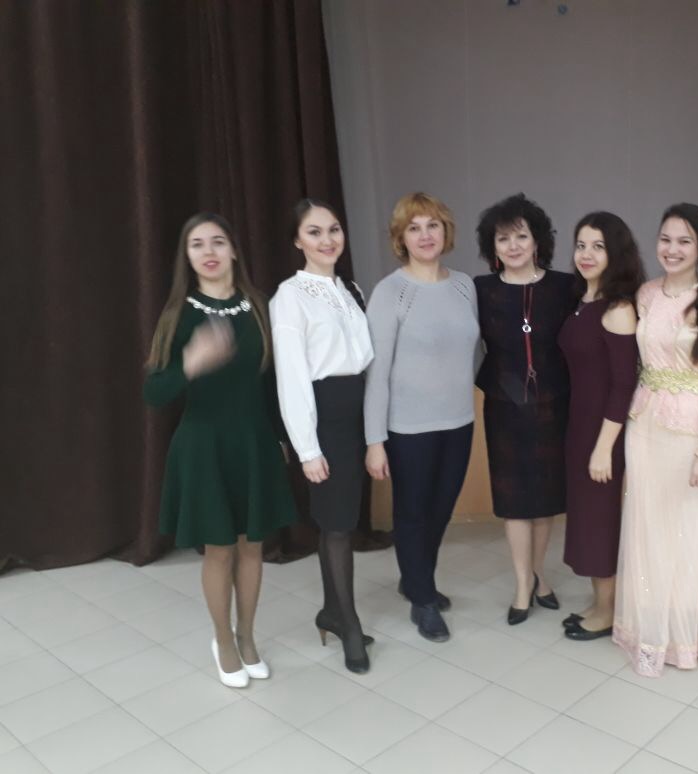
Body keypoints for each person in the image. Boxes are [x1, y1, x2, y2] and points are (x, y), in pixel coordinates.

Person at [144, 213, 297, 688]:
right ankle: (223, 640)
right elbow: (154, 393)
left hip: (253, 443)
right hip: (204, 447)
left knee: (253, 547)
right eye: (197, 244)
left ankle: (247, 636)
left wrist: (282, 438)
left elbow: (273, 382)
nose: (208, 251)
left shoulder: (259, 306)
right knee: (220, 549)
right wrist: (191, 362)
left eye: (217, 241)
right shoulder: (179, 313)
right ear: (187, 257)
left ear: (233, 250)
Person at [614, 203, 698, 676]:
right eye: (666, 239)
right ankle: (650, 629)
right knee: (646, 525)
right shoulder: (646, 294)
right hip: (644, 424)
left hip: (691, 435)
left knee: (689, 532)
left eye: (684, 241)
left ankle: (689, 636)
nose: (672, 249)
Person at [364, 192, 480, 643]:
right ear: (401, 238)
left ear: (445, 231)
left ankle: (416, 579)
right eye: (414, 228)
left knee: (441, 510)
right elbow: (377, 373)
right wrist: (375, 440)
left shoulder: (464, 286)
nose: (425, 235)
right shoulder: (391, 292)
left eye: (432, 225)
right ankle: (422, 598)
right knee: (413, 513)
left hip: (459, 422)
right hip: (408, 428)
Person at [271, 199, 376, 673]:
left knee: (344, 519)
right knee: (334, 524)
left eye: (333, 229)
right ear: (297, 240)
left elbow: (366, 358)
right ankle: (347, 621)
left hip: (358, 413)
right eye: (314, 232)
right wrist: (307, 448)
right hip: (325, 416)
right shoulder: (289, 296)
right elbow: (292, 378)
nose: (327, 239)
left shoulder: (351, 289)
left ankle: (332, 612)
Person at [474, 194, 575, 625]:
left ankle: (538, 574)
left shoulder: (566, 287)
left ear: (538, 241)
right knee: (515, 501)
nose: (513, 246)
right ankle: (522, 584)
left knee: (546, 500)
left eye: (521, 236)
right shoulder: (481, 290)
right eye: (503, 239)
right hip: (505, 409)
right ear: (492, 246)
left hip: (554, 407)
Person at [558, 211, 643, 641]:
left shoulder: (619, 309)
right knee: (589, 518)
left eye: (598, 246)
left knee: (601, 521)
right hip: (580, 426)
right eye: (581, 245)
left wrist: (603, 447)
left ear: (616, 253)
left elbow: (624, 384)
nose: (586, 254)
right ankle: (600, 602)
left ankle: (609, 611)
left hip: (603, 433)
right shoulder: (583, 301)